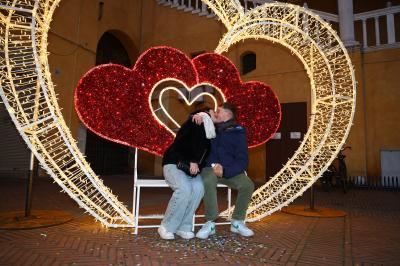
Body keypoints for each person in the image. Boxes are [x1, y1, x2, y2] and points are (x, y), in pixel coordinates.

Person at [192, 102, 255, 239]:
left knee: (248, 185)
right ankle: (210, 222)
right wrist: (202, 115)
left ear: (227, 114)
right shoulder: (209, 126)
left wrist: (226, 170)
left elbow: (243, 160)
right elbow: (192, 121)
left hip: (228, 169)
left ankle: (237, 221)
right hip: (210, 167)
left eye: (218, 111)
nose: (215, 113)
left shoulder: (238, 132)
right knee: (208, 181)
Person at [158, 106, 217, 240]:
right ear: (206, 113)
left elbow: (204, 156)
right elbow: (179, 144)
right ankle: (166, 226)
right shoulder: (194, 122)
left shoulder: (210, 132)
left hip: (191, 170)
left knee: (198, 189)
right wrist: (190, 160)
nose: (216, 113)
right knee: (184, 188)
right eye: (214, 111)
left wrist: (198, 165)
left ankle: (183, 226)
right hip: (173, 163)